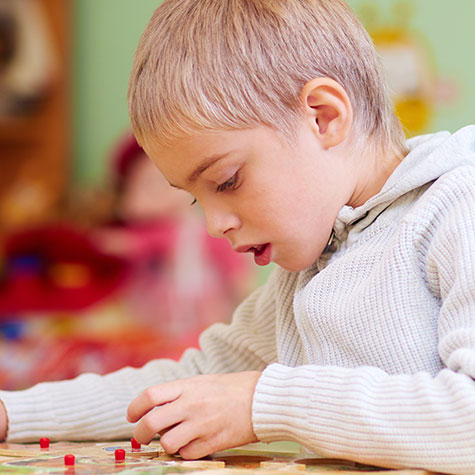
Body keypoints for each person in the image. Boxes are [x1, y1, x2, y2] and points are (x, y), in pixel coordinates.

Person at [0, 1, 474, 473]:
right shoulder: (312, 264)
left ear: (324, 117)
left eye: (227, 181)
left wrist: (263, 401)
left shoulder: (456, 206)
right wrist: (13, 412)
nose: (213, 224)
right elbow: (190, 382)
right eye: (194, 198)